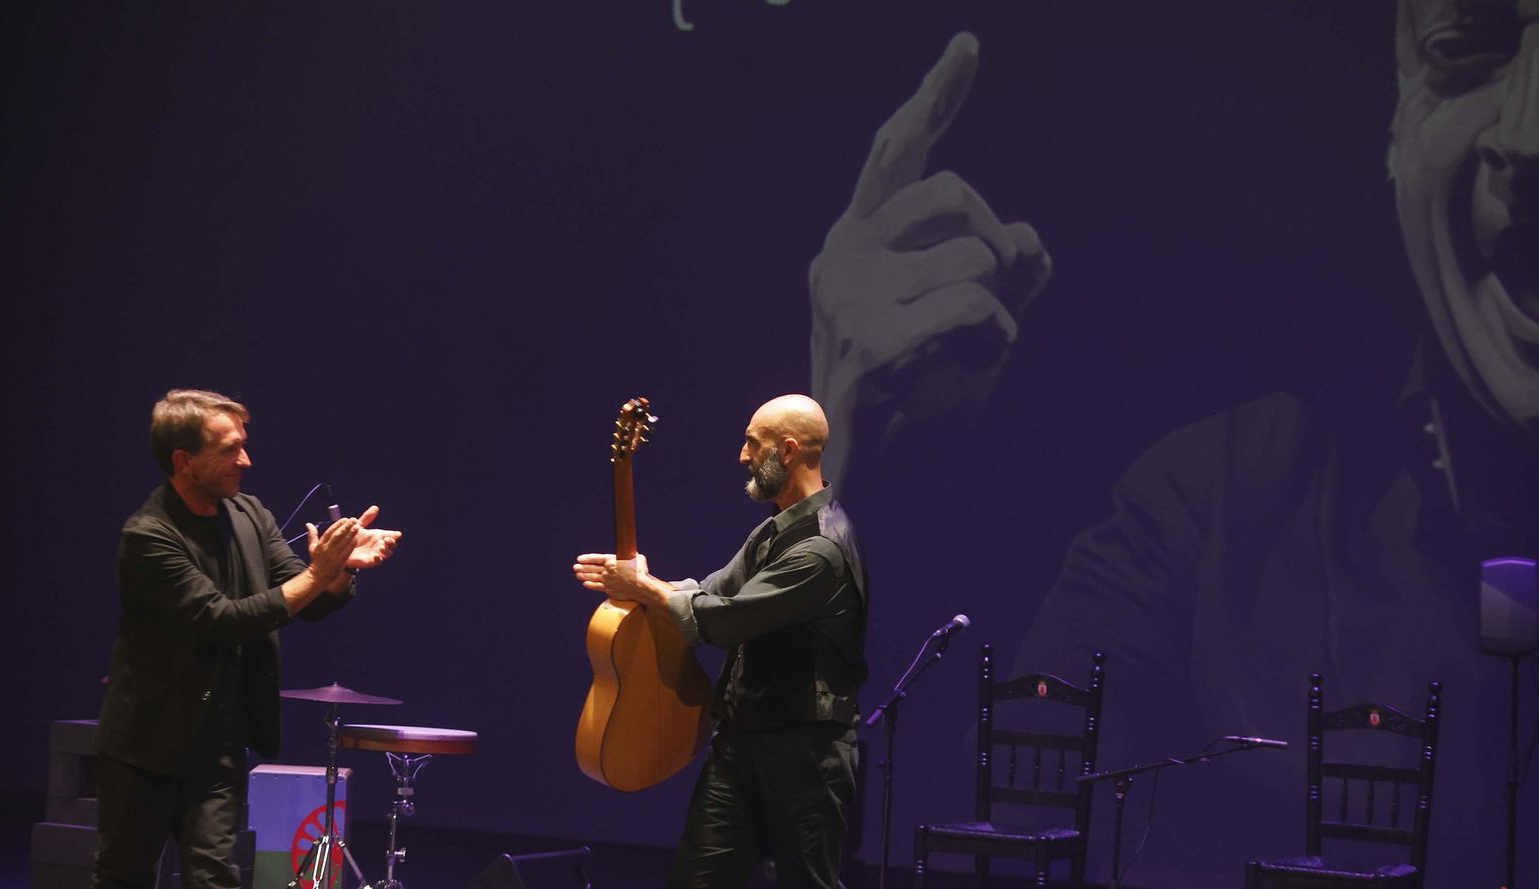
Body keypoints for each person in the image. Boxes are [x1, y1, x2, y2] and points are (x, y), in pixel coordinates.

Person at [806, 4, 1537, 885]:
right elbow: (962, 824)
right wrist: (860, 490)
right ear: (1397, 126)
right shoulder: (1221, 509)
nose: (1528, 139)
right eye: (1466, 51)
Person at [92, 389, 402, 889]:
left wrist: (339, 568)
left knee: (215, 876)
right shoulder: (149, 535)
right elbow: (223, 619)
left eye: (244, 444)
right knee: (124, 876)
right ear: (184, 461)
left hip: (218, 743)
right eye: (229, 449)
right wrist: (317, 573)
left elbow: (307, 601)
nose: (246, 460)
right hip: (145, 746)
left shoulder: (250, 514)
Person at [573, 394, 868, 889]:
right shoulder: (775, 530)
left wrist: (643, 589)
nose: (742, 455)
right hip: (741, 745)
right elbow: (709, 592)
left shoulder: (821, 549)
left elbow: (726, 621)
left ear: (789, 450)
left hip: (805, 756)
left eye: (753, 444)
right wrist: (641, 580)